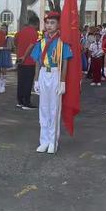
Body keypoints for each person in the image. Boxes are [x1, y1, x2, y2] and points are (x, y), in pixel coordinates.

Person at [31, 12, 72, 154]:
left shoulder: (62, 42)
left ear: (59, 25)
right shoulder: (41, 42)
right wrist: (36, 80)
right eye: (47, 23)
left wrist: (62, 81)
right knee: (43, 108)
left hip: (55, 74)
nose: (49, 26)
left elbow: (65, 63)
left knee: (54, 109)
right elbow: (37, 62)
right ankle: (44, 140)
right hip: (43, 74)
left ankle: (53, 141)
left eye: (52, 23)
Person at [14, 16, 39, 110]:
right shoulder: (34, 33)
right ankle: (26, 102)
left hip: (20, 60)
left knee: (20, 81)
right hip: (29, 61)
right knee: (28, 82)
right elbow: (31, 45)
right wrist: (25, 56)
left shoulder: (20, 32)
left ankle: (20, 101)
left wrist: (18, 55)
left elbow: (15, 43)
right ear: (36, 23)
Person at [0, 24, 14, 94]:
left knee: (4, 70)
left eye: (4, 28)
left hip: (5, 54)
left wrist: (2, 48)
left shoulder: (9, 38)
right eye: (1, 28)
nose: (2, 30)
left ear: (6, 29)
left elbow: (10, 47)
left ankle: (3, 86)